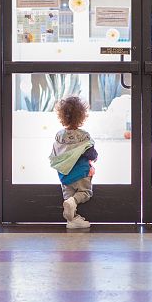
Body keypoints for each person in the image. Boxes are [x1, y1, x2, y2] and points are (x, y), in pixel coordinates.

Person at [49, 96, 98, 229]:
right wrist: (95, 157)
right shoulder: (84, 136)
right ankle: (73, 202)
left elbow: (56, 153)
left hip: (64, 174)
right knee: (85, 193)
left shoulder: (59, 135)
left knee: (68, 197)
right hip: (81, 173)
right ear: (82, 116)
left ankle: (72, 220)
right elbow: (90, 154)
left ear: (61, 116)